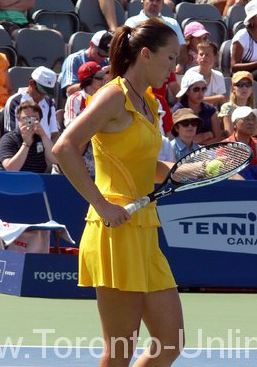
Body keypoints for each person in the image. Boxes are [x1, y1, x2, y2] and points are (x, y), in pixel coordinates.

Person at [52, 20, 184, 366]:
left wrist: (180, 174)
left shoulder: (150, 103)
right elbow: (65, 147)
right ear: (145, 54)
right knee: (120, 350)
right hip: (114, 231)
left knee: (170, 343)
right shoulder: (113, 95)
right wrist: (101, 203)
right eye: (170, 58)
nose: (174, 67)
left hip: (144, 230)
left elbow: (144, 162)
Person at [124, 0, 187, 72]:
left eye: (158, 0)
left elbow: (182, 49)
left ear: (162, 3)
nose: (154, 3)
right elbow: (127, 50)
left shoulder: (173, 23)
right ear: (143, 0)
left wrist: (180, 65)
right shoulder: (132, 23)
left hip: (167, 72)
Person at [0, 101, 58, 172]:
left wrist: (43, 135)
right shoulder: (9, 139)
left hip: (36, 180)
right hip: (11, 180)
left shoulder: (40, 138)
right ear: (18, 119)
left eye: (34, 119)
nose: (30, 122)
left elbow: (55, 159)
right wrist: (26, 144)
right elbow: (11, 168)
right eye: (26, 118)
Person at [2, 66, 59, 140]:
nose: (43, 95)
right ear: (31, 83)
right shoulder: (15, 102)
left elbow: (54, 133)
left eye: (46, 92)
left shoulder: (49, 102)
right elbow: (11, 135)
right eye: (41, 91)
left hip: (46, 149)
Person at [219, 70, 257, 147]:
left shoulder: (254, 111)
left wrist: (247, 136)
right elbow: (232, 137)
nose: (244, 88)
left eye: (248, 85)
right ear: (233, 89)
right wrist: (255, 133)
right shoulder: (228, 107)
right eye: (240, 85)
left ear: (252, 89)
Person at [223, 105, 257, 180]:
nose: (251, 123)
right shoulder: (224, 146)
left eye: (253, 119)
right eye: (246, 119)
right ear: (234, 123)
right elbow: (226, 174)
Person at [172, 69, 221, 145]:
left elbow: (218, 139)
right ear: (187, 91)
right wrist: (204, 136)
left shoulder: (211, 110)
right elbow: (177, 141)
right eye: (196, 89)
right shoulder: (178, 110)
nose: (201, 93)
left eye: (203, 89)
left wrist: (199, 146)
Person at [59, 30, 111, 96]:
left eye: (107, 54)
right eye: (101, 53)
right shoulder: (74, 60)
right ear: (91, 44)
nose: (104, 57)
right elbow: (70, 91)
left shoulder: (108, 62)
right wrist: (95, 79)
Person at [64, 61, 106, 127]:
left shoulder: (105, 97)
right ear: (88, 80)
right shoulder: (75, 99)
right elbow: (69, 123)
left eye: (103, 77)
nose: (103, 80)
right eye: (99, 78)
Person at [188, 40, 225, 107]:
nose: (203, 57)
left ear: (215, 57)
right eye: (201, 54)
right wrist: (217, 97)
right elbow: (188, 99)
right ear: (197, 57)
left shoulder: (219, 76)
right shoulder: (190, 73)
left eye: (207, 54)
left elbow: (218, 103)